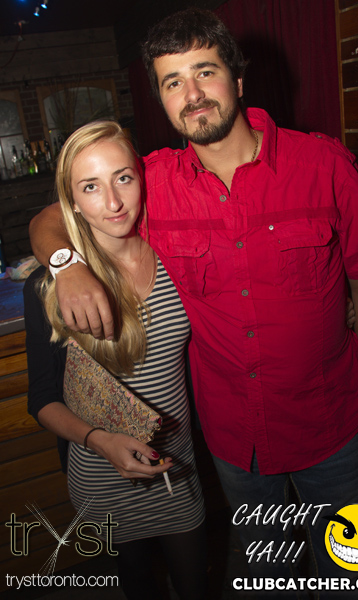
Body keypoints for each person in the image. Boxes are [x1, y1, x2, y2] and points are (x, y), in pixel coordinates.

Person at [29, 8, 358, 596]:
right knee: (267, 572)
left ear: (238, 79)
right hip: (234, 439)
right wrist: (65, 265)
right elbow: (57, 211)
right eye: (173, 82)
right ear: (161, 99)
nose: (193, 94)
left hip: (331, 425)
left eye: (205, 71)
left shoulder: (323, 165)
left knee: (351, 571)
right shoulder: (151, 183)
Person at [24, 120, 207, 600]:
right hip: (102, 475)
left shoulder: (176, 255)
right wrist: (100, 441)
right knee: (139, 588)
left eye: (123, 178)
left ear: (141, 177)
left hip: (179, 464)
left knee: (195, 585)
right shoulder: (50, 288)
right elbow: (42, 400)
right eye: (90, 186)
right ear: (71, 201)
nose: (113, 202)